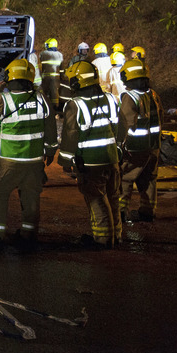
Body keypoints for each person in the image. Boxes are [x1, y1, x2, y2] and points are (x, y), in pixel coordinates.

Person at [0, 59, 58, 252]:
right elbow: (50, 127)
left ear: (9, 78)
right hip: (35, 160)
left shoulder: (6, 100)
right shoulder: (42, 99)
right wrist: (51, 150)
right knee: (31, 199)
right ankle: (28, 235)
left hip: (9, 161)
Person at [58, 61, 122, 249]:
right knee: (113, 197)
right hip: (112, 159)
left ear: (78, 82)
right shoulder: (110, 98)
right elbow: (118, 127)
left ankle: (102, 239)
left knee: (96, 199)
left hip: (90, 162)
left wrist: (65, 160)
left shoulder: (74, 105)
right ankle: (116, 236)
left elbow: (70, 134)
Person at [116, 59, 162, 223]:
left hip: (134, 149)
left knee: (125, 179)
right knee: (149, 178)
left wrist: (120, 146)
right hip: (154, 147)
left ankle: (121, 211)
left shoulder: (129, 97)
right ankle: (147, 211)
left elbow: (126, 124)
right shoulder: (153, 95)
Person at [38, 38, 63, 112]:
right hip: (56, 78)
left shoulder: (43, 54)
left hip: (45, 77)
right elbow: (62, 68)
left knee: (44, 92)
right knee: (55, 93)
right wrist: (62, 76)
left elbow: (40, 66)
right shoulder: (60, 55)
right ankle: (55, 109)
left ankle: (44, 108)